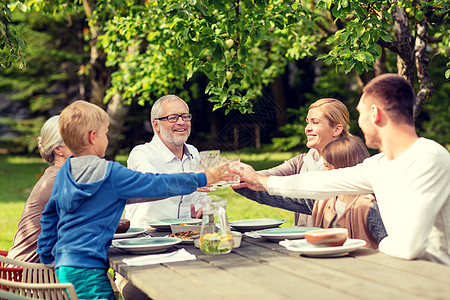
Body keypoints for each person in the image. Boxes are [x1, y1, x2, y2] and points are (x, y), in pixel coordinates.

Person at [232, 74, 450, 265]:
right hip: (398, 271)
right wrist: (259, 181)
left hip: (434, 278)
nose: (359, 123)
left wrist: (370, 245)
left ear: (374, 114)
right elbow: (321, 182)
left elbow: (408, 248)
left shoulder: (427, 158)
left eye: (360, 114)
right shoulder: (379, 165)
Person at [36, 100, 229, 300]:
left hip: (65, 265)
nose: (108, 139)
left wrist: (48, 253)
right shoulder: (110, 174)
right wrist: (204, 177)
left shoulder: (64, 172)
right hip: (89, 269)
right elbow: (158, 184)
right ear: (93, 137)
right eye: (106, 133)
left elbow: (50, 216)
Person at [234, 98, 350, 226]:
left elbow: (313, 203)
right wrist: (233, 175)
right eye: (307, 123)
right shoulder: (301, 162)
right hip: (303, 242)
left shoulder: (349, 164)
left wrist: (254, 181)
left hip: (339, 243)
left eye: (315, 122)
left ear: (336, 129)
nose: (307, 129)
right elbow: (264, 176)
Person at [125, 95, 207, 227]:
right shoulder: (141, 153)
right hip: (147, 238)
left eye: (185, 116)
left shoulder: (193, 152)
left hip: (186, 235)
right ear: (156, 125)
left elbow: (200, 196)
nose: (181, 122)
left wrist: (203, 210)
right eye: (173, 118)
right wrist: (193, 180)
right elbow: (155, 183)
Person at [7, 116, 72, 263]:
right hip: (33, 276)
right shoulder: (61, 180)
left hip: (29, 270)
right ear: (58, 149)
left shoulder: (56, 174)